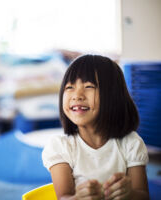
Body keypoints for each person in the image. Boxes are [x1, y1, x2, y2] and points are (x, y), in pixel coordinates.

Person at [42, 55, 149, 200]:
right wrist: (77, 197)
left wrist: (129, 194)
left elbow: (143, 195)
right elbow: (64, 197)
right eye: (69, 87)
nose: (77, 95)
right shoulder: (60, 146)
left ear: (113, 95)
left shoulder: (131, 143)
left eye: (88, 87)